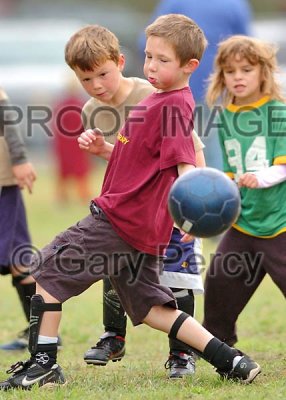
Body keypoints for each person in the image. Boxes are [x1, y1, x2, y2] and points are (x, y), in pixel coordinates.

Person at [0, 15, 261, 390]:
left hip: (117, 221)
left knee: (44, 272)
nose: (152, 66)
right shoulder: (162, 100)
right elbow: (142, 162)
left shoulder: (171, 108)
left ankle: (43, 365)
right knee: (153, 309)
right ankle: (231, 359)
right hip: (139, 231)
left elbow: (185, 164)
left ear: (190, 66)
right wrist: (107, 149)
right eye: (149, 57)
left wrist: (191, 214)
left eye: (163, 60)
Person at [77, 25, 205, 378]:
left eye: (102, 75)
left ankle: (183, 354)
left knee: (179, 275)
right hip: (131, 210)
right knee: (116, 266)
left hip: (172, 203)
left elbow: (189, 150)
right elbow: (130, 160)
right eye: (86, 80)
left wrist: (195, 204)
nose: (96, 86)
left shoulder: (157, 92)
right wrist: (102, 149)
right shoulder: (92, 110)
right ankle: (112, 335)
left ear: (119, 63)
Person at [202, 35, 286, 346]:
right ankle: (217, 345)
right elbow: (229, 174)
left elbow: (282, 167)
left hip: (280, 222)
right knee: (219, 281)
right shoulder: (225, 117)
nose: (238, 77)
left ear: (263, 72)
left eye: (246, 69)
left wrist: (260, 178)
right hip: (243, 220)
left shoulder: (277, 112)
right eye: (230, 70)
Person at [138, 0, 252, 170]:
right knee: (213, 149)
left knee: (179, 147)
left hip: (178, 88)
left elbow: (145, 42)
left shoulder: (175, 2)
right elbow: (247, 49)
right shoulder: (235, 4)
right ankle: (214, 190)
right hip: (218, 88)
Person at [0, 87, 37, 350]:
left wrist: (21, 159)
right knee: (18, 256)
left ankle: (42, 333)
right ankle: (42, 333)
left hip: (3, 181)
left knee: (18, 255)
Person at [52, 76, 92, 204]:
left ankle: (61, 198)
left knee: (64, 172)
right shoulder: (82, 105)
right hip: (78, 144)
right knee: (80, 171)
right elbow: (86, 126)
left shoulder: (60, 106)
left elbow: (56, 127)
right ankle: (83, 197)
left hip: (64, 145)